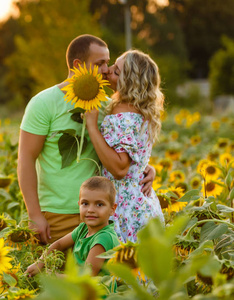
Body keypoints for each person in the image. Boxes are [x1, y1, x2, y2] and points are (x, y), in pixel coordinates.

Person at [17, 34, 155, 244]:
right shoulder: (44, 103)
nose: (106, 70)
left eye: (108, 63)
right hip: (57, 212)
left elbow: (124, 148)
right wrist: (34, 214)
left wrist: (146, 168)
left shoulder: (107, 106)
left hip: (99, 213)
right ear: (78, 65)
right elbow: (26, 158)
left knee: (95, 276)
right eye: (99, 63)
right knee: (53, 274)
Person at [85, 50, 165, 243]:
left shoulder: (124, 111)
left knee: (121, 268)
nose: (108, 70)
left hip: (125, 209)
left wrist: (91, 126)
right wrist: (146, 169)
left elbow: (120, 168)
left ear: (128, 82)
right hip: (141, 205)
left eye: (116, 71)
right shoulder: (139, 109)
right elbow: (134, 157)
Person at [26, 176, 120, 277]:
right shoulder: (83, 229)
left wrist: (53, 276)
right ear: (79, 205)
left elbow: (86, 276)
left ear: (112, 209)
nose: (90, 210)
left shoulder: (103, 238)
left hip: (97, 291)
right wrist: (39, 263)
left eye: (99, 204)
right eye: (85, 203)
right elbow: (58, 245)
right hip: (79, 288)